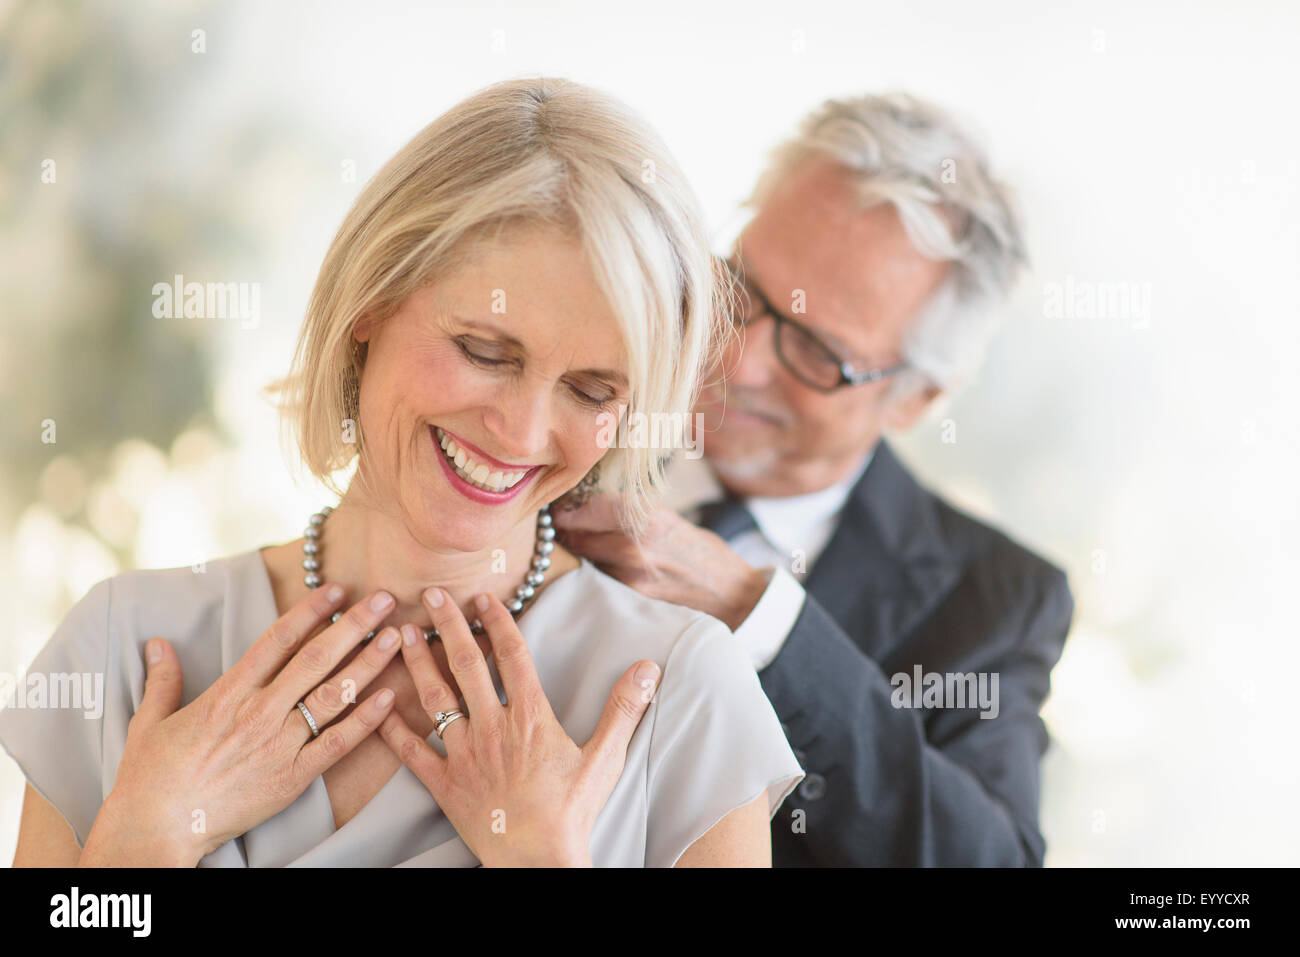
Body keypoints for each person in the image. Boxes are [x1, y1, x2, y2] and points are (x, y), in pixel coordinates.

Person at [0, 77, 803, 868]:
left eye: (592, 390)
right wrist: (140, 842)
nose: (521, 430)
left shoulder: (687, 695)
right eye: (484, 352)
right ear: (371, 304)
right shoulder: (122, 647)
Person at [555, 92, 1075, 866]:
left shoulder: (993, 599)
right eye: (744, 285)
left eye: (817, 351)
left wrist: (758, 615)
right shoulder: (567, 407)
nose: (738, 358)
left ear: (917, 397)